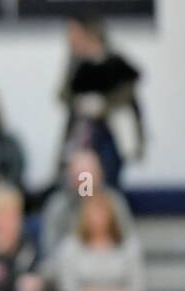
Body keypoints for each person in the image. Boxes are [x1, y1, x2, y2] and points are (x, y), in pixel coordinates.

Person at [58, 15, 145, 188]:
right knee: (85, 187)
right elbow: (63, 95)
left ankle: (106, 213)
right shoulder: (77, 64)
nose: (70, 38)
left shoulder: (115, 61)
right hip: (84, 138)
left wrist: (102, 105)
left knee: (108, 185)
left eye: (74, 33)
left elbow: (128, 91)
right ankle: (85, 213)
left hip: (112, 135)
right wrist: (82, 104)